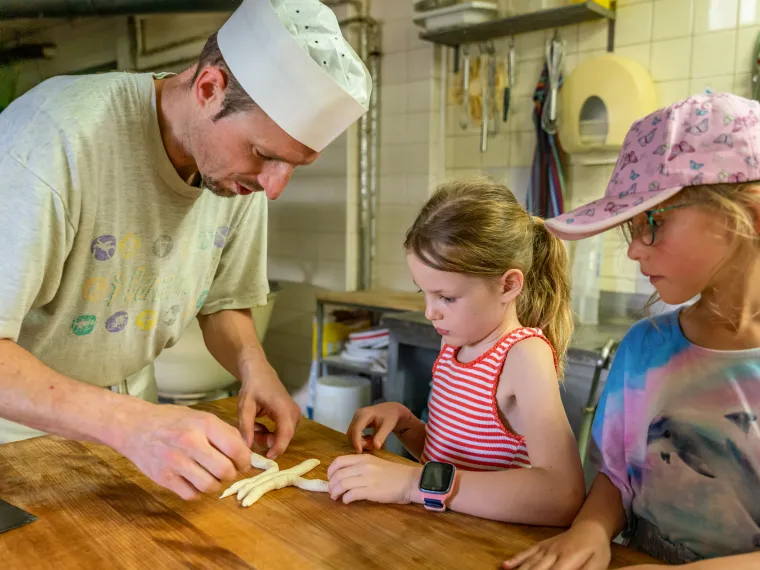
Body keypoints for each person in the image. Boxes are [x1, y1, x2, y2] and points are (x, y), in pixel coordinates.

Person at [0, 0, 371, 501]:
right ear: (209, 89)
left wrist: (252, 366)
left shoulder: (237, 177)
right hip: (15, 440)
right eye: (264, 154)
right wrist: (132, 425)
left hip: (129, 431)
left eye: (292, 166)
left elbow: (222, 303)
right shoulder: (54, 142)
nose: (274, 186)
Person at [505, 92, 760, 570]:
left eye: (654, 224)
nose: (633, 251)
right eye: (630, 228)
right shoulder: (644, 347)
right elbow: (617, 478)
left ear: (748, 216)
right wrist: (591, 529)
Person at [327, 179, 585, 525]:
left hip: (493, 546)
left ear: (508, 285)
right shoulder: (456, 346)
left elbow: (562, 495)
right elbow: (453, 461)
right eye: (425, 293)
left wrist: (410, 483)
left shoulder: (524, 355)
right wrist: (407, 425)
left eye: (446, 297)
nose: (430, 312)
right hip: (444, 536)